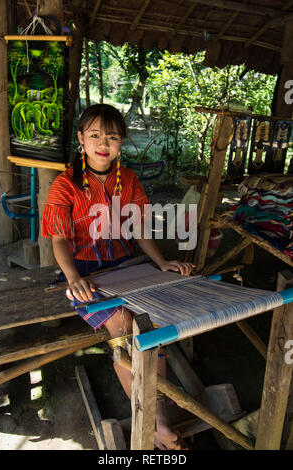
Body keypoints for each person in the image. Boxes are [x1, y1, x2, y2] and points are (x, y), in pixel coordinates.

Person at [42, 104, 194, 450]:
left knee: (153, 324)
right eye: (94, 135)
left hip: (126, 265)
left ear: (121, 142)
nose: (103, 143)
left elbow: (139, 227)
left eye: (111, 137)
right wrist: (73, 278)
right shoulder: (65, 185)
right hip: (85, 272)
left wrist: (162, 262)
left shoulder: (128, 181)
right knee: (123, 326)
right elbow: (60, 239)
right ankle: (158, 422)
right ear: (81, 139)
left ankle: (158, 419)